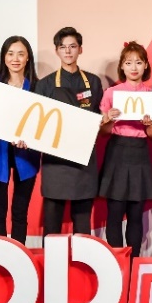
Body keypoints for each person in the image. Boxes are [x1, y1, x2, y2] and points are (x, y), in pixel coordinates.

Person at [33, 27, 103, 235]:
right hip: (56, 162)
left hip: (84, 161)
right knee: (52, 225)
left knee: (82, 225)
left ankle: (83, 257)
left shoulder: (94, 82)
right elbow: (37, 124)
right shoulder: (45, 84)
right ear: (57, 51)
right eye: (63, 47)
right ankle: (50, 257)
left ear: (80, 49)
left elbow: (99, 118)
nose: (68, 51)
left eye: (73, 46)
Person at [98, 41, 152, 257]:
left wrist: (149, 124)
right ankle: (117, 262)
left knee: (135, 214)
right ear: (122, 66)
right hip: (117, 151)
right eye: (129, 62)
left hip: (140, 153)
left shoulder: (151, 94)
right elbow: (104, 132)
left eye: (138, 62)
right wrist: (109, 119)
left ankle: (134, 262)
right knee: (115, 213)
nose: (134, 67)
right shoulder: (111, 93)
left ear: (145, 66)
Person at [0, 36, 41, 245]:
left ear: (28, 58)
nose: (15, 59)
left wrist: (31, 138)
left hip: (27, 156)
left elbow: (42, 124)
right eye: (10, 54)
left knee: (20, 210)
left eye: (20, 54)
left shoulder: (37, 87)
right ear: (3, 57)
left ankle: (19, 254)